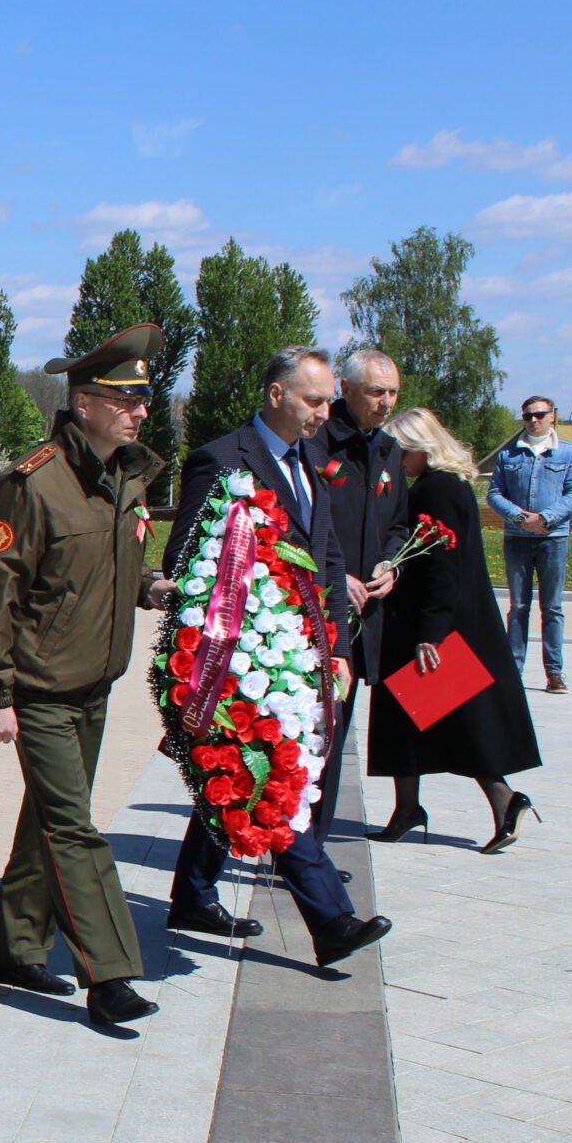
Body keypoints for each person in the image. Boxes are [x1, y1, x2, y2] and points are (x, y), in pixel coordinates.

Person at [0, 324, 174, 1025]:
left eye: (144, 398)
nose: (140, 411)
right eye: (125, 399)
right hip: (41, 686)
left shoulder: (124, 475)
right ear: (83, 402)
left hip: (95, 681)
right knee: (76, 826)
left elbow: (96, 568)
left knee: (48, 818)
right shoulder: (34, 482)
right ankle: (109, 974)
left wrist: (147, 587)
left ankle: (15, 946)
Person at [164, 346, 392, 976]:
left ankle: (191, 894)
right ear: (276, 395)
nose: (324, 414)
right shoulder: (222, 459)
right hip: (245, 657)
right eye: (313, 401)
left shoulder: (312, 460)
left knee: (239, 777)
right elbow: (184, 560)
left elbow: (331, 557)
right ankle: (332, 920)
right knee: (275, 782)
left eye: (326, 402)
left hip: (306, 652)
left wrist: (339, 649)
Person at [369, 409, 544, 854]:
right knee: (403, 715)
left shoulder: (438, 488)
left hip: (433, 622)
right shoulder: (446, 484)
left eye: (397, 451)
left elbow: (442, 563)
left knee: (458, 718)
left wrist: (432, 631)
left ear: (418, 447)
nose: (392, 461)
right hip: (431, 617)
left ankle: (505, 799)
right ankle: (407, 808)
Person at [318, 349, 411, 838]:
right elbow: (303, 525)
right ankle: (299, 848)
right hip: (318, 609)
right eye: (377, 391)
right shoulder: (317, 442)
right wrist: (336, 576)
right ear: (346, 389)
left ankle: (315, 847)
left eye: (393, 392)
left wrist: (391, 563)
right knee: (314, 732)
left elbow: (397, 523)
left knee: (339, 730)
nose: (386, 402)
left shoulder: (389, 451)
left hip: (365, 614)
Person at [488, 396, 572, 695]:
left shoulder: (568, 453)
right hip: (517, 539)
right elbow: (494, 493)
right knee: (518, 606)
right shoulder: (508, 455)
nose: (534, 420)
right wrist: (519, 517)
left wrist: (545, 517)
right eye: (528, 416)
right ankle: (513, 671)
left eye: (540, 414)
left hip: (552, 539)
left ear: (552, 416)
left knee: (552, 607)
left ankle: (554, 673)